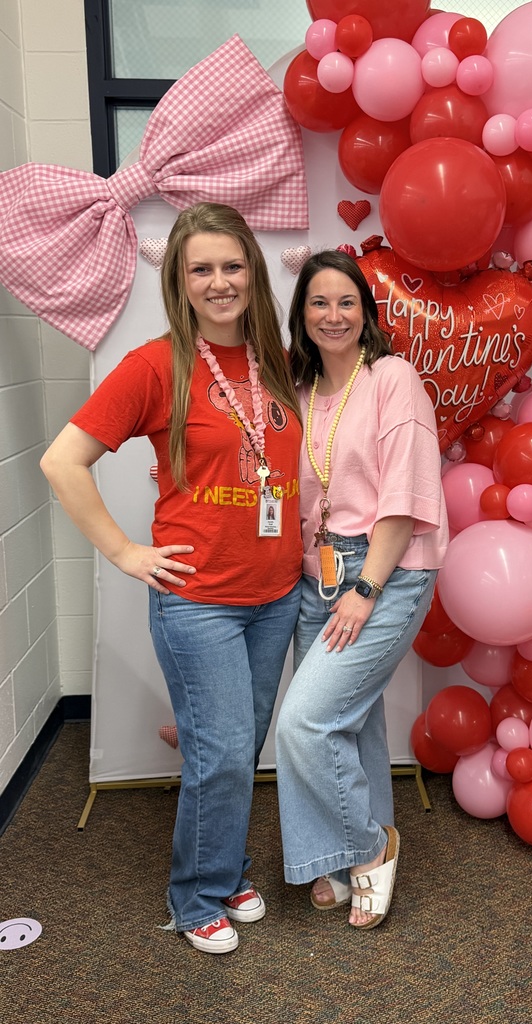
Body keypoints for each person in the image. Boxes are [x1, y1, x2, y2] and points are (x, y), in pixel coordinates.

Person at [40, 202, 303, 955]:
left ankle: (226, 867)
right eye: (202, 270)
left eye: (232, 265)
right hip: (200, 602)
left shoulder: (276, 359)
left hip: (276, 593)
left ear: (252, 269)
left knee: (239, 746)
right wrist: (126, 552)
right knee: (221, 753)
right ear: (179, 283)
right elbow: (64, 462)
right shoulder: (155, 366)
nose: (220, 282)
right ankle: (195, 898)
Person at [275, 250, 449, 929]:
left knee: (305, 720)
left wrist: (365, 587)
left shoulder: (392, 378)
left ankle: (373, 848)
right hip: (313, 569)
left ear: (366, 313)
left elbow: (405, 495)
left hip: (389, 566)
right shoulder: (298, 387)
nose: (333, 314)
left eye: (346, 301)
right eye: (318, 303)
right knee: (348, 714)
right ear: (302, 317)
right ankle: (334, 852)